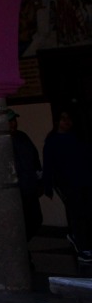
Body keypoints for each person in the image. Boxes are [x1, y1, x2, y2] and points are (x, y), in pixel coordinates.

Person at [42, 110, 92, 263]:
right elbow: (48, 164)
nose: (67, 122)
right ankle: (82, 245)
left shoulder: (77, 138)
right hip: (67, 183)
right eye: (63, 119)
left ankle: (81, 240)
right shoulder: (52, 141)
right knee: (78, 213)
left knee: (85, 212)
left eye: (69, 119)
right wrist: (48, 184)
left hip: (83, 180)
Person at [8, 108, 42, 241]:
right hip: (16, 190)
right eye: (9, 121)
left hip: (29, 187)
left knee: (35, 220)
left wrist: (39, 181)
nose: (13, 124)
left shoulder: (22, 137)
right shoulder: (0, 142)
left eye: (14, 120)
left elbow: (35, 160)